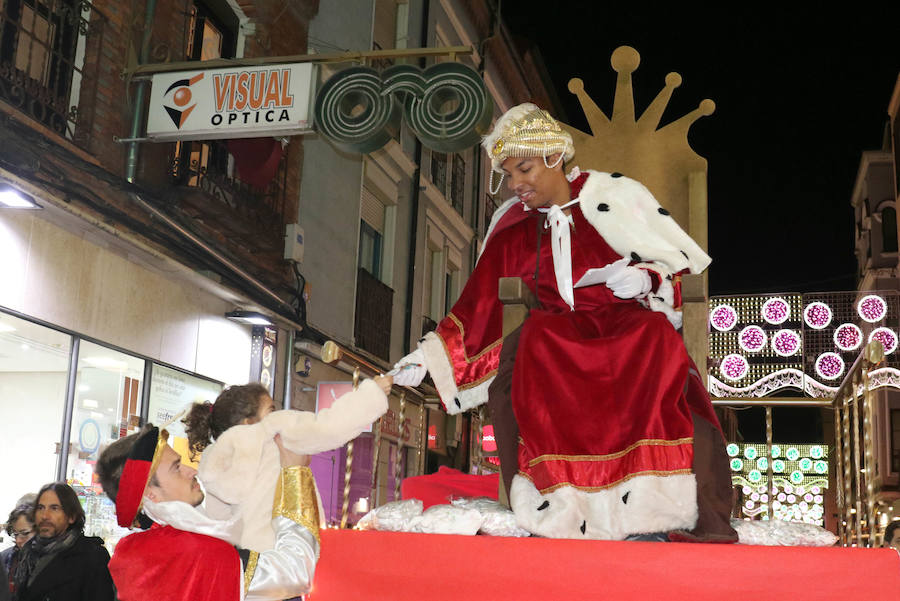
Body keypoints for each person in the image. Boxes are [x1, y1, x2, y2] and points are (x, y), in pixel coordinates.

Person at [392, 103, 736, 543]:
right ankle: (564, 508)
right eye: (508, 174)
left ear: (554, 157)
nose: (515, 184)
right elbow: (478, 303)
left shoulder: (616, 196)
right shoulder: (514, 226)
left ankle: (647, 512)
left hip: (627, 321)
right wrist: (428, 356)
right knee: (535, 341)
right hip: (558, 329)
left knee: (653, 339)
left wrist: (646, 277)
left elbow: (677, 266)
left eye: (524, 169)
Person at [95, 423, 320, 601]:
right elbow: (295, 571)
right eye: (176, 468)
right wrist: (295, 474)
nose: (191, 471)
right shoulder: (199, 553)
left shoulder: (129, 552)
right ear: (150, 494)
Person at [183, 377, 390, 550]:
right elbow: (330, 426)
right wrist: (372, 394)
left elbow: (218, 520)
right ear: (249, 422)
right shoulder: (271, 430)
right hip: (287, 550)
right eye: (271, 409)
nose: (276, 414)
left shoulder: (215, 460)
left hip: (249, 559)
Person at [12, 483, 114, 601]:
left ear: (72, 516)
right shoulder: (28, 551)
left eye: (54, 508)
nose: (45, 516)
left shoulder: (91, 556)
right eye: (40, 508)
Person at [2, 504, 34, 598]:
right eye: (15, 534)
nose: (18, 540)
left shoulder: (49, 561)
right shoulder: (6, 558)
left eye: (24, 533)